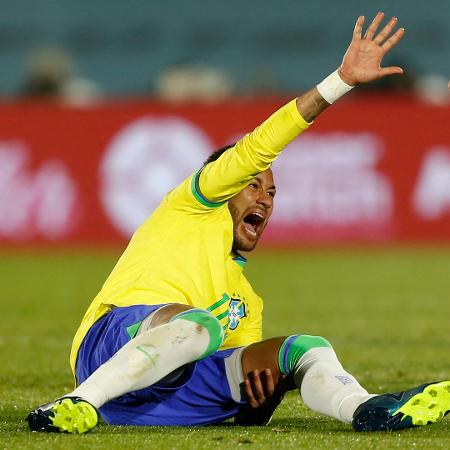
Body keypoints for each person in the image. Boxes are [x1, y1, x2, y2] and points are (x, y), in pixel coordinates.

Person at [27, 13, 450, 434]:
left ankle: (364, 408)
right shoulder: (191, 205)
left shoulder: (245, 301)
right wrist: (339, 82)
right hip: (105, 349)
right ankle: (75, 403)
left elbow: (236, 387)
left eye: (271, 194)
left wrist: (259, 403)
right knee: (199, 326)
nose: (264, 200)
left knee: (304, 348)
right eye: (253, 186)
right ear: (224, 184)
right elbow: (259, 147)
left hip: (156, 398)